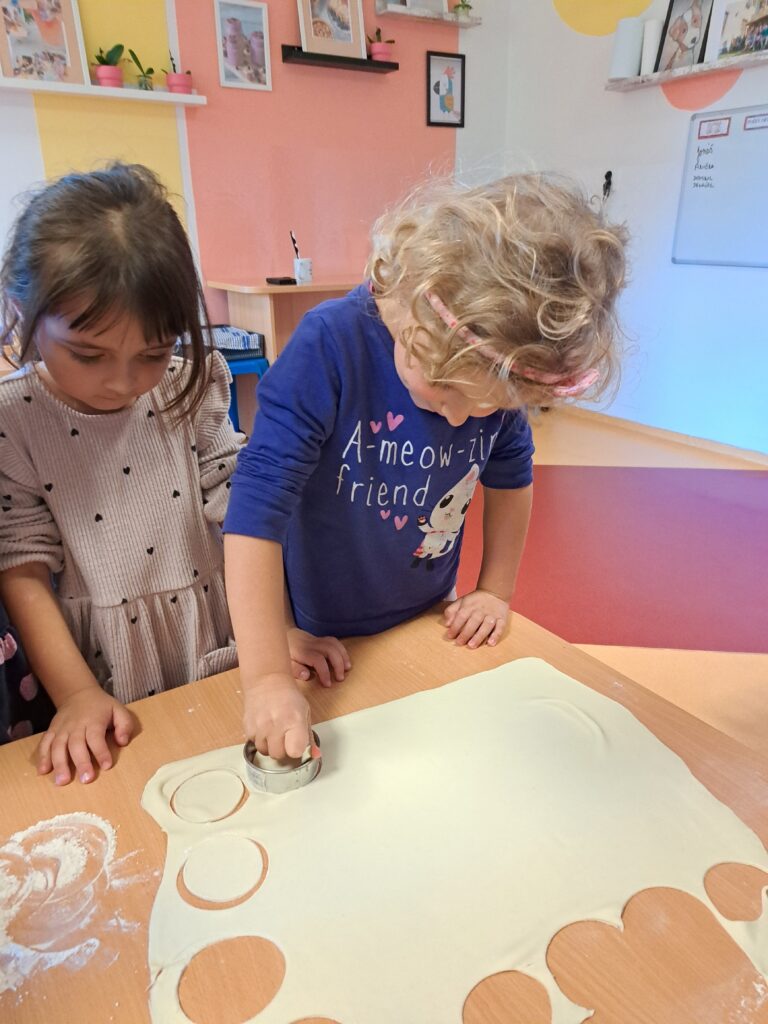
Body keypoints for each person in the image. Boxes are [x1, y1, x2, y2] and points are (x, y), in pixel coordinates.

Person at [224, 173, 627, 760]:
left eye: (488, 407)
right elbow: (255, 510)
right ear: (415, 315)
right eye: (445, 389)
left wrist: (494, 591)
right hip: (317, 628)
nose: (462, 418)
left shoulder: (494, 367)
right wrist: (266, 673)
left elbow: (512, 478)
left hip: (428, 613)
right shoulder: (329, 347)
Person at [0, 163, 244, 785]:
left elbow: (242, 513)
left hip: (217, 631)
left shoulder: (192, 384)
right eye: (89, 354)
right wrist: (77, 695)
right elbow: (22, 566)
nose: (124, 381)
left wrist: (276, 631)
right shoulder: (13, 418)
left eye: (155, 353)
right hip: (95, 666)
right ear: (22, 312)